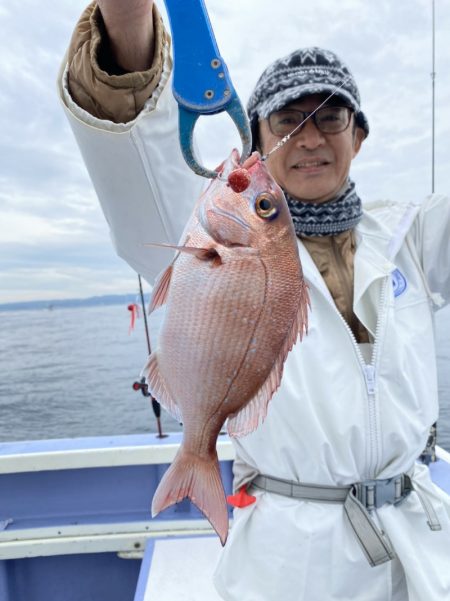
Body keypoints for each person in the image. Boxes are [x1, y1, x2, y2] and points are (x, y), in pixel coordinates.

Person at [58, 2, 450, 599]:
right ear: (257, 139)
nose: (311, 138)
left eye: (331, 117)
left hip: (421, 546)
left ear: (359, 136)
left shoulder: (408, 236)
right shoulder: (208, 225)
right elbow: (134, 152)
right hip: (294, 560)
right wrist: (127, 19)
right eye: (290, 120)